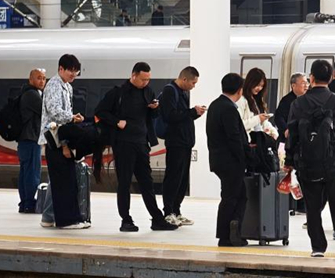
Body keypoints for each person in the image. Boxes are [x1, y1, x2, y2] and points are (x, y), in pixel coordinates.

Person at [285, 59, 335, 258]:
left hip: (307, 163)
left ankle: (318, 248)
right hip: (334, 164)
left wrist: (291, 160)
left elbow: (292, 134)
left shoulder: (298, 103)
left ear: (311, 78)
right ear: (330, 78)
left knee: (312, 208)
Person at [95, 62, 177, 232]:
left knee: (147, 182)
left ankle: (157, 219)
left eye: (148, 79)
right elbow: (100, 112)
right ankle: (126, 219)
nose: (145, 82)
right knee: (124, 182)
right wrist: (117, 122)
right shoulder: (118, 93)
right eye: (142, 79)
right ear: (133, 75)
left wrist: (155, 109)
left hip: (141, 143)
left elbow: (151, 116)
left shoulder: (148, 91)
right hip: (123, 143)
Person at [40, 54, 88, 229]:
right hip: (55, 138)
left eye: (76, 71)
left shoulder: (67, 86)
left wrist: (72, 117)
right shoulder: (53, 84)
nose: (73, 74)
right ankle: (65, 220)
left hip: (62, 135)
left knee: (57, 178)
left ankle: (48, 216)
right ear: (61, 69)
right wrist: (72, 117)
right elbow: (54, 111)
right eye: (71, 71)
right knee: (62, 178)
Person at [207, 73, 251, 247]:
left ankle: (231, 231)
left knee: (235, 196)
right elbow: (234, 137)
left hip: (219, 159)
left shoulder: (215, 105)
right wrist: (244, 158)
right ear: (240, 91)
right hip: (231, 161)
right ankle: (227, 235)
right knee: (232, 197)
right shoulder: (229, 108)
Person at [160, 66, 207, 227]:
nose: (194, 86)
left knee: (182, 179)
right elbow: (170, 116)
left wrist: (194, 113)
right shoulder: (170, 91)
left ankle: (176, 210)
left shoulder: (182, 93)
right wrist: (192, 112)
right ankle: (168, 212)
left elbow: (182, 116)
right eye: (193, 83)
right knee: (173, 177)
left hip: (185, 142)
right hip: (175, 142)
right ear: (184, 79)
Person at [17, 68, 46, 213]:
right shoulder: (32, 95)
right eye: (39, 78)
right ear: (31, 80)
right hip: (31, 139)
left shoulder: (27, 93)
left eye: (44, 78)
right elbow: (45, 111)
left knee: (25, 171)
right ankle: (29, 202)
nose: (42, 81)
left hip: (25, 140)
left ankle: (24, 202)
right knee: (32, 172)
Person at [275, 73, 309, 140]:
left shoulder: (310, 97)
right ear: (293, 85)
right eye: (303, 83)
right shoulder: (286, 100)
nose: (306, 86)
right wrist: (285, 129)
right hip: (290, 136)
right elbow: (279, 117)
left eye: (307, 83)